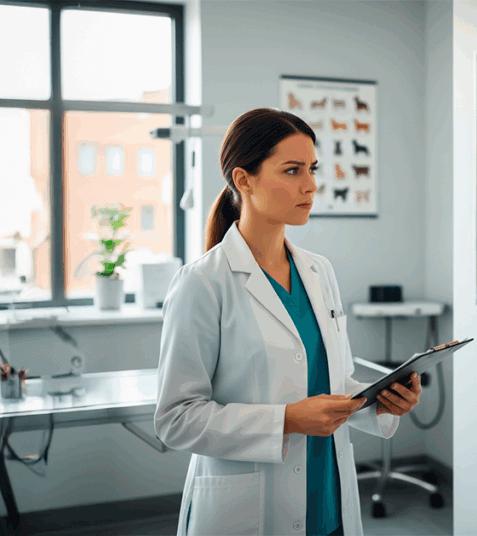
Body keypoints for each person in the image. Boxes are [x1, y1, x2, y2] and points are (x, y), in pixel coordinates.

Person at [154, 108, 423, 536]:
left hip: (328, 498)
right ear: (244, 180)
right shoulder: (202, 283)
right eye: (293, 170)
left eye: (312, 169)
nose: (311, 185)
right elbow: (176, 419)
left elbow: (332, 382)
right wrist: (286, 420)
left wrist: (381, 401)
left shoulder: (319, 271)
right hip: (248, 511)